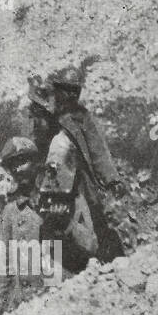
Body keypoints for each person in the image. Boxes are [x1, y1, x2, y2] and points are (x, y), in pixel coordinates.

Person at [45, 65, 125, 261]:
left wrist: (111, 177)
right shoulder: (49, 116)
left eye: (75, 90)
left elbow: (98, 150)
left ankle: (97, 260)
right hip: (54, 179)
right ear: (58, 90)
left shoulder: (83, 118)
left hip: (81, 179)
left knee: (91, 218)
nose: (71, 94)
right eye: (67, 89)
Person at [0, 137, 49, 314]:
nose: (17, 169)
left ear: (36, 162)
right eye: (12, 165)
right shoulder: (10, 211)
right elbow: (4, 264)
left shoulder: (52, 201)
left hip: (51, 299)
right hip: (21, 306)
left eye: (22, 161)